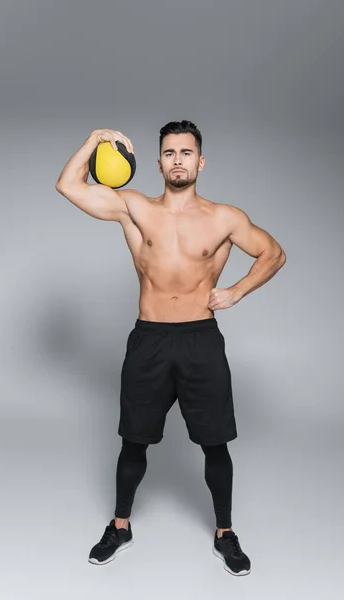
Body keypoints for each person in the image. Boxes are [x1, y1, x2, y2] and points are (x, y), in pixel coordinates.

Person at [55, 120, 286, 576]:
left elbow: (273, 253)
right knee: (133, 441)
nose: (177, 159)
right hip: (149, 340)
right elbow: (67, 185)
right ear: (158, 161)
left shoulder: (225, 218)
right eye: (169, 152)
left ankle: (225, 533)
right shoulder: (134, 208)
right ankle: (120, 526)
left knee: (215, 444)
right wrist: (95, 140)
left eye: (185, 152)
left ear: (200, 162)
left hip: (201, 339)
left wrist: (236, 291)